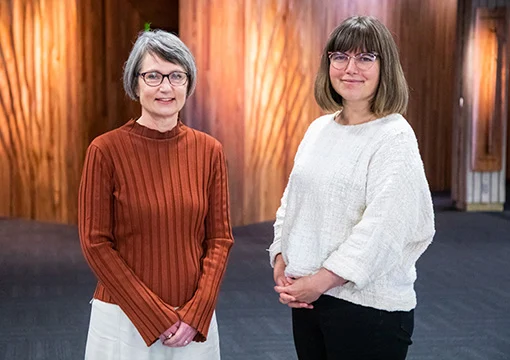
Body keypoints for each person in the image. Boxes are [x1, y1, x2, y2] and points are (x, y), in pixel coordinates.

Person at [268, 15, 435, 360]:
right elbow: (292, 202)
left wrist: (322, 281)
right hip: (310, 302)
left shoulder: (394, 137)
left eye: (365, 58)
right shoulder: (319, 129)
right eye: (340, 57)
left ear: (384, 66)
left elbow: (383, 230)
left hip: (369, 310)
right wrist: (281, 256)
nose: (350, 68)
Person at [78, 29, 234, 360]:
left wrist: (198, 311)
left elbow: (219, 239)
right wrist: (154, 315)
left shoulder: (209, 151)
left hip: (192, 320)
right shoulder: (105, 150)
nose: (165, 87)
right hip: (124, 315)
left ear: (188, 84)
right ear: (134, 84)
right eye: (153, 76)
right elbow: (95, 243)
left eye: (176, 76)